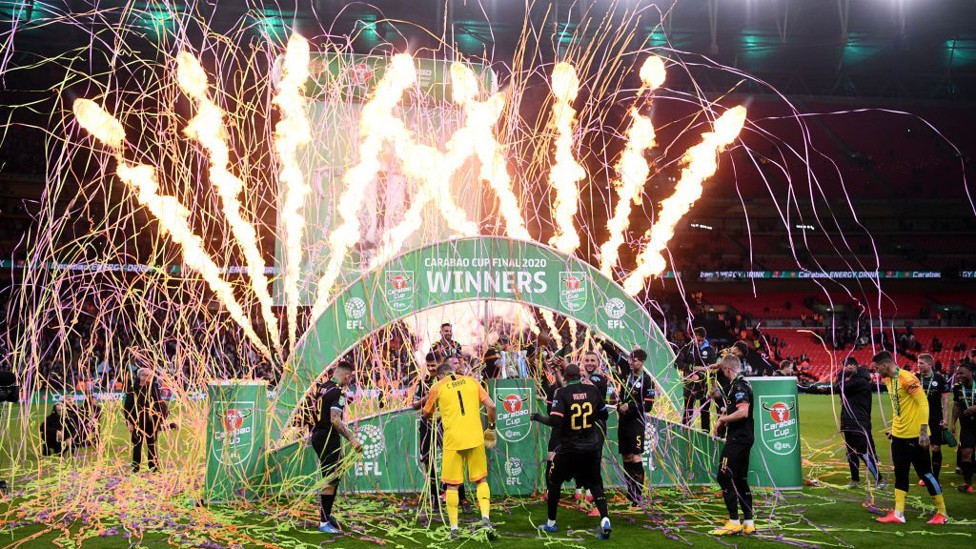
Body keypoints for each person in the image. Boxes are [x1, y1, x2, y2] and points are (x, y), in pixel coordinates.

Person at [531, 364, 612, 540]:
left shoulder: (561, 393)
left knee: (554, 483)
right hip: (591, 447)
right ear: (581, 375)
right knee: (595, 484)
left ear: (565, 377)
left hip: (570, 449)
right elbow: (604, 415)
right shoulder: (593, 391)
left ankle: (551, 523)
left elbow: (555, 421)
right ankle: (605, 519)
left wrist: (537, 417)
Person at [422, 361, 498, 540]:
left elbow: (426, 414)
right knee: (481, 480)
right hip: (475, 438)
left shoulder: (438, 387)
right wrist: (491, 428)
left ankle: (454, 529)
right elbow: (492, 406)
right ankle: (486, 518)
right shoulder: (472, 381)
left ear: (440, 376)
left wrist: (436, 414)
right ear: (453, 371)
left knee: (452, 485)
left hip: (453, 441)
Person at [871, 351, 948, 524]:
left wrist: (923, 432)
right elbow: (900, 406)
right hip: (899, 436)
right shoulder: (888, 380)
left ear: (884, 365)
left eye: (876, 368)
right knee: (900, 473)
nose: (876, 372)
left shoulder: (908, 378)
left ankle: (942, 513)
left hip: (915, 436)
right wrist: (894, 427)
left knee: (925, 473)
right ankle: (898, 513)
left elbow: (923, 403)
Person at [309, 361, 362, 534]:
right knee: (331, 479)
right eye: (351, 377)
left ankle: (327, 514)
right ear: (347, 376)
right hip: (328, 438)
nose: (350, 380)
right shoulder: (339, 393)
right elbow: (335, 419)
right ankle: (324, 522)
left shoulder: (323, 387)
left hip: (317, 434)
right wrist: (352, 439)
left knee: (333, 477)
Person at [710, 354, 756, 536]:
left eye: (722, 370)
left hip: (738, 438)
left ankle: (734, 521)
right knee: (740, 479)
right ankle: (749, 522)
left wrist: (722, 420)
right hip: (745, 437)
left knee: (723, 476)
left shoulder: (738, 386)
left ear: (728, 369)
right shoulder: (741, 384)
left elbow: (743, 412)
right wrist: (724, 418)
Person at [835, 357, 883, 489]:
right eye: (843, 367)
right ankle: (855, 480)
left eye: (847, 366)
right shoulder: (852, 379)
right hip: (849, 419)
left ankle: (880, 480)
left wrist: (843, 375)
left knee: (862, 452)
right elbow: (839, 386)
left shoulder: (861, 381)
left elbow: (839, 387)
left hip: (859, 421)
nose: (845, 369)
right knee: (850, 452)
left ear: (854, 366)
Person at [617, 348, 655, 506]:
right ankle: (630, 490)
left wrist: (630, 406)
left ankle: (638, 495)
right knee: (626, 457)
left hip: (637, 423)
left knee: (635, 456)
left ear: (642, 362)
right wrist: (599, 339)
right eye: (630, 359)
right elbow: (615, 356)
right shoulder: (627, 374)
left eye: (635, 360)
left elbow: (648, 406)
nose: (631, 362)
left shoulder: (647, 380)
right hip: (624, 422)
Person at [123, 368, 167, 473]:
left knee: (152, 444)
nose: (150, 378)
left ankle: (153, 467)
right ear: (141, 376)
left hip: (151, 421)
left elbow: (159, 402)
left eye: (151, 376)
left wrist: (161, 416)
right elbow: (127, 408)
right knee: (137, 445)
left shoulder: (153, 387)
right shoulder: (132, 389)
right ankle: (136, 467)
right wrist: (129, 422)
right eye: (148, 375)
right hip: (137, 421)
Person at [412, 352, 441, 510]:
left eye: (434, 365)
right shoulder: (423, 383)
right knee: (428, 461)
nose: (431, 368)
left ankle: (461, 498)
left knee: (452, 458)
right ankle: (435, 498)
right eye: (428, 365)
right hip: (427, 424)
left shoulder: (446, 381)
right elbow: (414, 404)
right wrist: (428, 397)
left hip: (444, 424)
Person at [917, 354, 950, 484]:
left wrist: (946, 418)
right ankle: (926, 475)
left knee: (936, 448)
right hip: (921, 420)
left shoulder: (939, 379)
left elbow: (946, 400)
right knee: (923, 447)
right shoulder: (915, 378)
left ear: (929, 364)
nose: (918, 365)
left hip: (936, 419)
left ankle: (935, 476)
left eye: (921, 363)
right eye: (918, 363)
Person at [677, 327, 717, 431]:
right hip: (689, 385)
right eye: (697, 339)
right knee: (688, 410)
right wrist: (693, 368)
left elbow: (712, 369)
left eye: (702, 340)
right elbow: (677, 364)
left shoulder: (710, 350)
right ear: (692, 337)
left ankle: (705, 434)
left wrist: (713, 386)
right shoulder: (686, 349)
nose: (699, 342)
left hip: (704, 386)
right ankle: (684, 432)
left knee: (705, 411)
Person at [949, 362, 975, 493]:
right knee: (966, 453)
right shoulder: (957, 387)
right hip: (967, 426)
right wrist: (953, 423)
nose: (959, 376)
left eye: (962, 373)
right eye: (958, 373)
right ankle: (967, 482)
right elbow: (957, 405)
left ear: (970, 372)